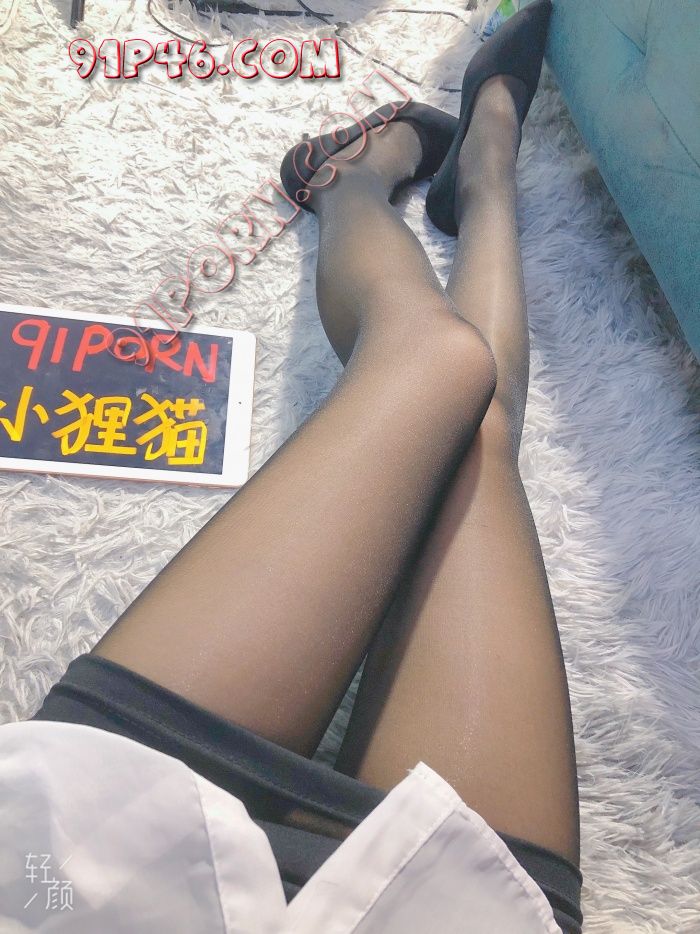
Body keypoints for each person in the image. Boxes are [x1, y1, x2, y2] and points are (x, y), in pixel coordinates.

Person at [0, 2, 583, 931]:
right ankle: (485, 174)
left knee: (435, 364)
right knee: (479, 428)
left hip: (82, 888)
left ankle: (357, 181)